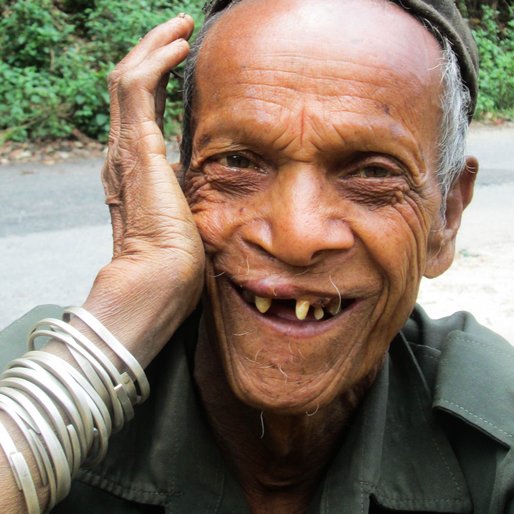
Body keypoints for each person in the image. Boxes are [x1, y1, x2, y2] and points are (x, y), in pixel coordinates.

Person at [0, 0, 513, 512]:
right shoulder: (38, 376)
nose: (295, 236)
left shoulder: (495, 428)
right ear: (173, 188)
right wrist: (127, 312)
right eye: (236, 162)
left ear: (445, 218)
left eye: (372, 173)